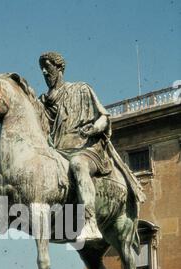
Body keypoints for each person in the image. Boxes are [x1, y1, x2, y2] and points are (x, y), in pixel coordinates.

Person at [38, 51, 145, 242]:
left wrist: (94, 128)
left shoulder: (81, 89)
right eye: (42, 69)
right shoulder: (44, 102)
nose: (45, 72)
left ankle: (90, 221)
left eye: (48, 67)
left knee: (78, 164)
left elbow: (104, 117)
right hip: (59, 152)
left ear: (59, 68)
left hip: (86, 150)